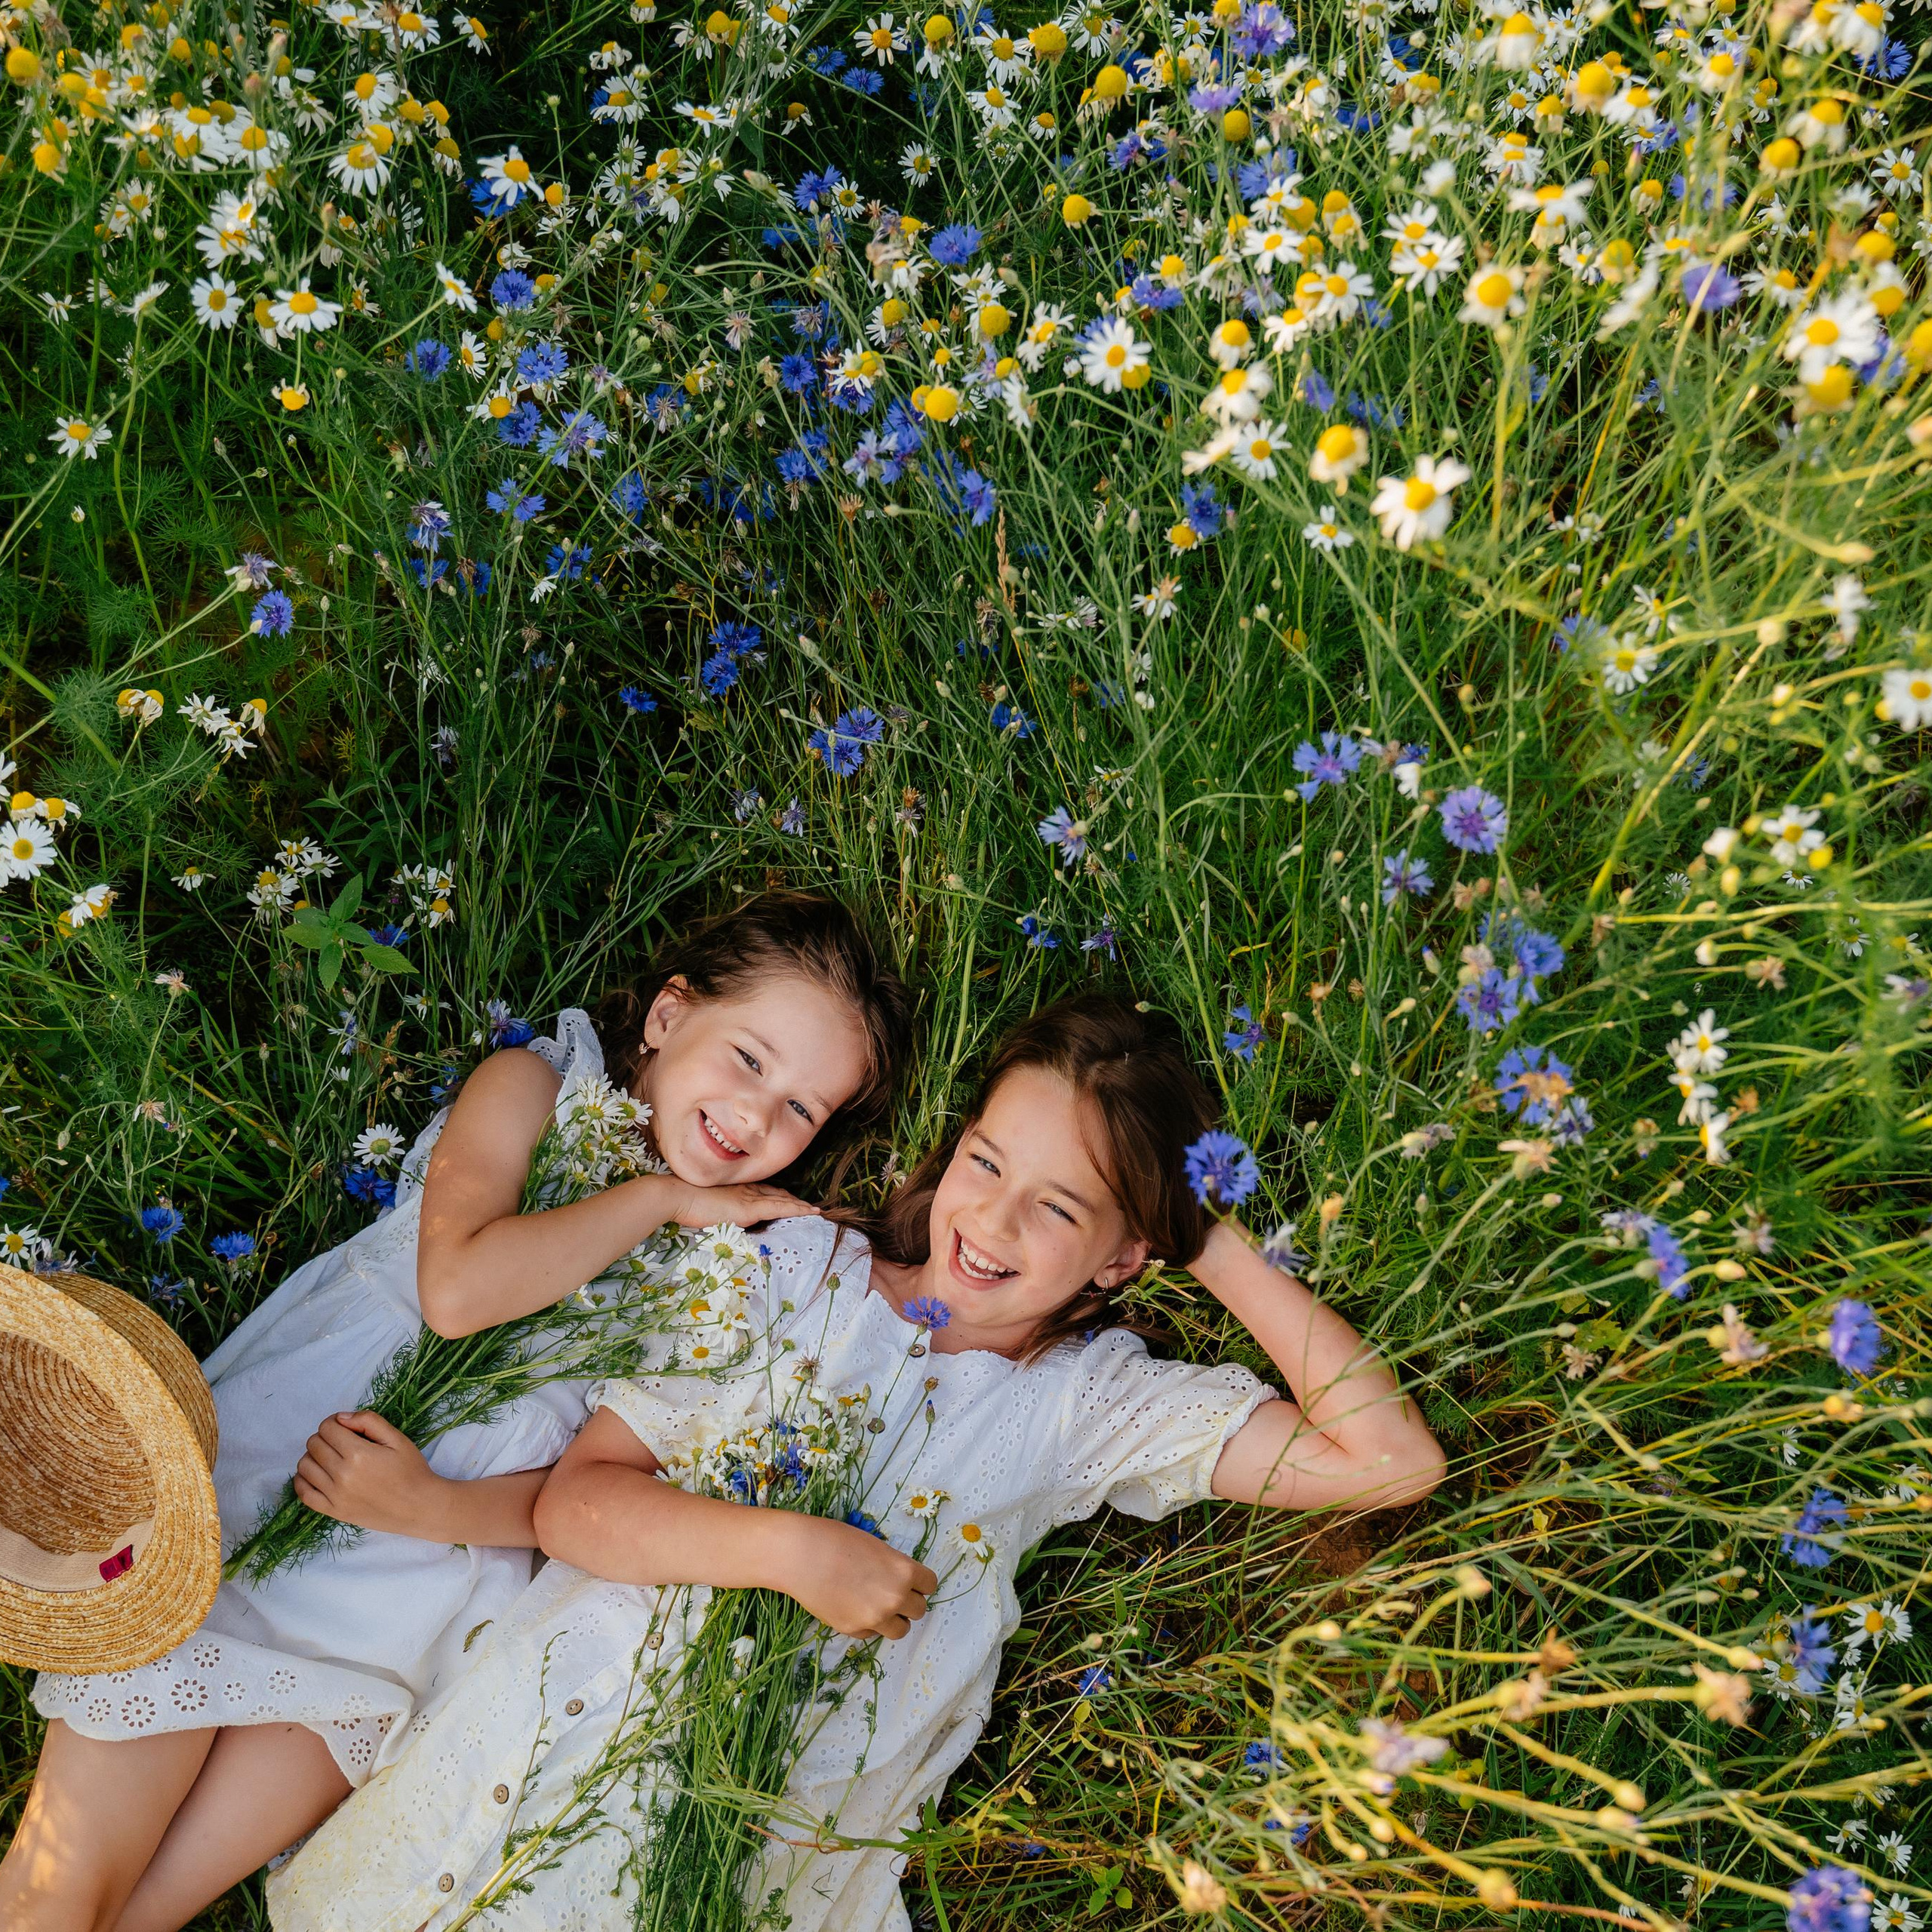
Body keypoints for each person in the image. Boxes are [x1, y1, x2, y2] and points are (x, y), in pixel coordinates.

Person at [265, 993, 1444, 1932]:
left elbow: (1386, 1460)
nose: (991, 1223)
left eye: (1059, 1210)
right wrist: (789, 1551)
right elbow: (579, 1506)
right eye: (986, 1164)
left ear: (1122, 1259)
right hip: (545, 1745)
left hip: (751, 1835)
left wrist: (1204, 1231)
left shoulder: (1092, 1404)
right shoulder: (790, 1271)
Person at [1, 891, 914, 1932]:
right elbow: (458, 1292)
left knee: (137, 1915)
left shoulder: (711, 1276)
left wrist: (430, 1507)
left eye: (802, 1109)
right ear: (668, 1016)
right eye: (750, 1059)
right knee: (60, 1896)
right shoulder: (531, 1085)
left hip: (406, 1598)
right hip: (268, 1492)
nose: (756, 1117)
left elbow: (582, 1491)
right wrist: (657, 1199)